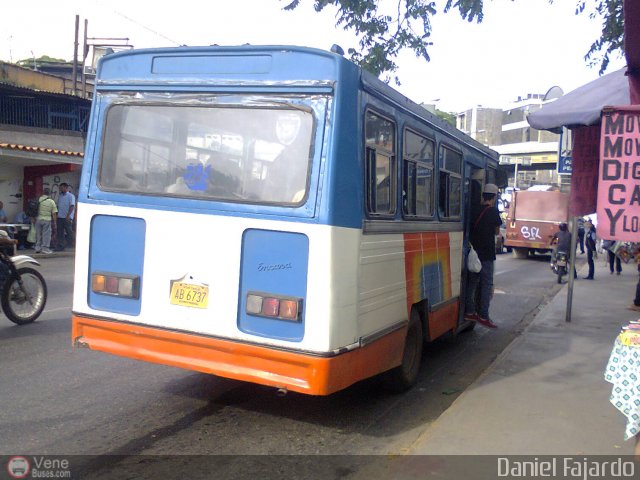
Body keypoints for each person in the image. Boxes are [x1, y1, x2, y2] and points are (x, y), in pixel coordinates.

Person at [464, 183, 503, 329]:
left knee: (472, 282)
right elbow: (497, 232)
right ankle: (483, 315)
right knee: (486, 284)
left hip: (473, 253)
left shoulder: (473, 210)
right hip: (487, 254)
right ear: (493, 197)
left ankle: (469, 311)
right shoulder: (493, 211)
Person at [34, 188, 57, 254]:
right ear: (49, 193)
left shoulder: (39, 199)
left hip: (38, 219)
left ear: (43, 192)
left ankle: (37, 248)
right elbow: (54, 213)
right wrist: (55, 222)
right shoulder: (51, 201)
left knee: (38, 234)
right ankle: (45, 249)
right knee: (46, 235)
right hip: (47, 220)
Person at [54, 182, 75, 251]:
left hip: (67, 217)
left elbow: (72, 206)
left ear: (66, 188)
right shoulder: (60, 196)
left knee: (69, 231)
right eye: (60, 188)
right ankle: (61, 245)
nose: (60, 189)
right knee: (60, 232)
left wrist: (68, 215)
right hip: (60, 217)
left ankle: (72, 244)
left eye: (61, 188)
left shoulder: (71, 196)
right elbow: (58, 206)